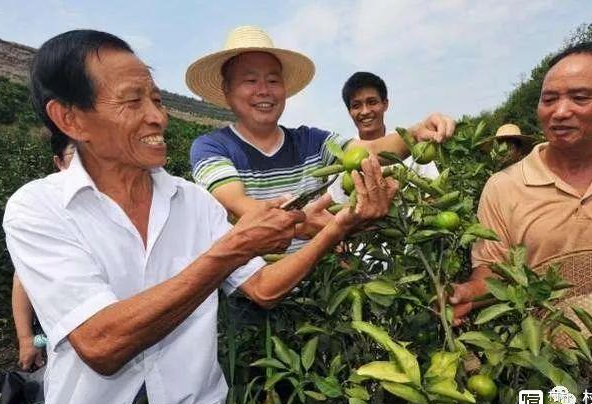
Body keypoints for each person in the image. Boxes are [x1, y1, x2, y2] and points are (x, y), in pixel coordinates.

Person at [4, 30, 397, 404]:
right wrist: (232, 249)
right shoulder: (38, 209)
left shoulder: (192, 202)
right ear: (69, 118)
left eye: (157, 99)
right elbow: (102, 342)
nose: (158, 115)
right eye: (132, 100)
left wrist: (339, 226)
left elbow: (264, 288)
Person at [186, 26, 454, 251]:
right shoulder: (212, 147)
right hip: (252, 292)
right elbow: (242, 205)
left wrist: (415, 133)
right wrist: (302, 223)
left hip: (320, 287)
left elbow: (368, 149)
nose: (263, 91)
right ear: (227, 90)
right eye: (250, 80)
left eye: (273, 80)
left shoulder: (311, 141)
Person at [450, 41, 592, 325]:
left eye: (580, 98)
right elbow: (494, 272)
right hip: (547, 360)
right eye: (548, 100)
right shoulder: (503, 187)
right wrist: (468, 293)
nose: (560, 112)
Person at [329, 71, 440, 202]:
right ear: (350, 111)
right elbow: (339, 210)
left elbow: (434, 194)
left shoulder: (411, 147)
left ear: (385, 104)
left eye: (372, 102)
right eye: (356, 105)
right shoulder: (343, 157)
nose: (365, 111)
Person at [12, 142, 75, 371]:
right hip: (61, 332)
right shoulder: (45, 209)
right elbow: (22, 279)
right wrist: (26, 339)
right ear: (59, 162)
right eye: (75, 153)